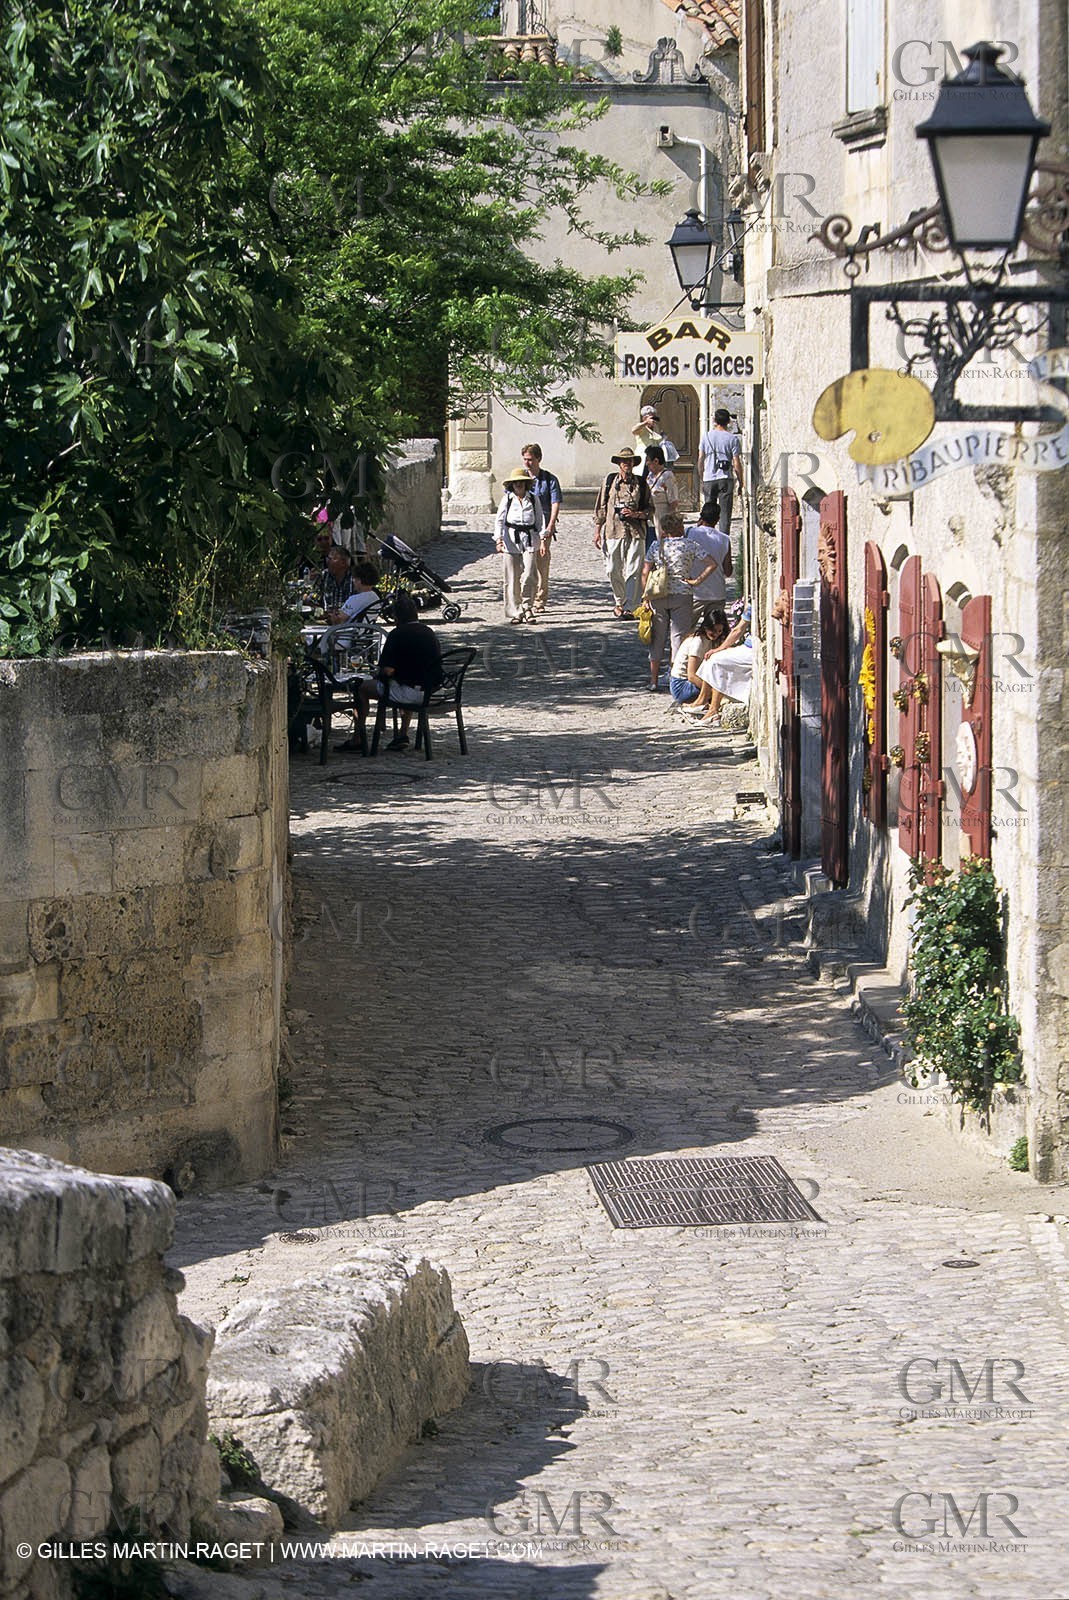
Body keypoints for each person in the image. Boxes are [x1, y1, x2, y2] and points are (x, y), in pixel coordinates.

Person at [342, 593, 443, 753]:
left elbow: (387, 669)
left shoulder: (398, 634)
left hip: (409, 692)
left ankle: (358, 738)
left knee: (362, 688)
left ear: (396, 617)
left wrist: (376, 674)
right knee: (404, 680)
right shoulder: (428, 632)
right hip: (431, 690)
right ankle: (403, 733)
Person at [639, 513, 720, 692]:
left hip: (658, 594)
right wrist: (697, 580)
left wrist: (646, 596)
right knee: (678, 638)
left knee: (657, 638)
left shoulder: (656, 546)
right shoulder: (689, 545)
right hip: (682, 593)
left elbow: (645, 571)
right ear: (679, 528)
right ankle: (674, 678)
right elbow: (712, 563)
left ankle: (653, 680)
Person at [594, 446, 651, 619]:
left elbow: (650, 508)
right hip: (614, 530)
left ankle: (629, 606)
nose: (627, 463)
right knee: (612, 568)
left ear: (634, 463)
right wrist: (597, 530)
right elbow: (601, 507)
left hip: (636, 531)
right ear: (619, 463)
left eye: (630, 460)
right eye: (624, 461)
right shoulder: (610, 481)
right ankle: (620, 600)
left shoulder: (641, 483)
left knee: (634, 570)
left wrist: (636, 514)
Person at [494, 464, 546, 624]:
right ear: (512, 484)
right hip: (511, 540)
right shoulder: (507, 499)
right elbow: (500, 520)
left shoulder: (533, 498)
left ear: (526, 484)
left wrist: (543, 539)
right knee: (511, 577)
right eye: (516, 482)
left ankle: (527, 607)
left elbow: (539, 519)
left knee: (530, 574)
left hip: (530, 539)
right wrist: (498, 539)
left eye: (521, 482)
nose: (519, 485)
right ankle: (516, 611)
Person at [693, 605, 753, 728]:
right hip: (748, 646)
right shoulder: (753, 605)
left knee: (717, 661)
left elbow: (738, 630)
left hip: (752, 649)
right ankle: (703, 701)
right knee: (712, 658)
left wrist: (719, 649)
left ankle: (712, 709)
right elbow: (738, 629)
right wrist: (719, 650)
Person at [521, 443, 562, 613]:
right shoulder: (520, 478)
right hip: (523, 527)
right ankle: (524, 598)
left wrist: (550, 526)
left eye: (530, 460)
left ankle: (540, 598)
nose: (527, 463)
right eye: (525, 459)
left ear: (538, 459)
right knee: (524, 565)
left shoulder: (549, 479)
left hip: (543, 527)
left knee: (541, 564)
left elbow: (555, 503)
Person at [669, 607, 729, 707]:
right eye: (713, 631)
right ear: (706, 627)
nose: (716, 634)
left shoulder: (712, 640)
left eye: (719, 631)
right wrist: (712, 692)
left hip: (693, 682)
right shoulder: (698, 642)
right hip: (682, 685)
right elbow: (691, 676)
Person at [698, 409, 744, 535]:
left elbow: (701, 459)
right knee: (725, 513)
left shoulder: (705, 437)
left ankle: (707, 537)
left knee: (708, 511)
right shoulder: (732, 439)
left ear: (714, 421)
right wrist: (741, 481)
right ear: (728, 421)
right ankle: (724, 541)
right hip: (725, 478)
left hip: (709, 477)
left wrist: (701, 477)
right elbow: (736, 462)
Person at [687, 499, 733, 618]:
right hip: (717, 593)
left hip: (694, 593)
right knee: (715, 633)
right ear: (718, 519)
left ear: (701, 517)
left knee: (686, 631)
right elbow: (728, 571)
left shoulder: (689, 533)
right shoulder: (725, 539)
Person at [643, 445, 679, 555]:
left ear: (656, 461)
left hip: (662, 514)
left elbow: (673, 500)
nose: (647, 465)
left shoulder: (667, 476)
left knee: (661, 543)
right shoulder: (649, 476)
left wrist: (670, 522)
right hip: (650, 515)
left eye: (648, 462)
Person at [326, 559, 380, 625]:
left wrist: (331, 616)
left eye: (354, 578)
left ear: (359, 580)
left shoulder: (355, 599)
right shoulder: (375, 597)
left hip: (349, 633)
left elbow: (339, 619)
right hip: (367, 632)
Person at [632, 404, 679, 470]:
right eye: (652, 418)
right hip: (644, 459)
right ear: (644, 418)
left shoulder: (656, 428)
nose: (653, 420)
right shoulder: (641, 427)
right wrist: (646, 422)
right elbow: (634, 430)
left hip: (655, 460)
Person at [319, 543, 355, 614]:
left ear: (343, 563)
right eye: (327, 558)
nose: (327, 561)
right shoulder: (324, 575)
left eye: (331, 559)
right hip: (327, 619)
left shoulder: (355, 579)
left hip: (349, 620)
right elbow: (313, 598)